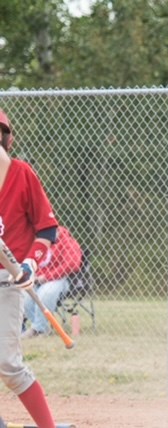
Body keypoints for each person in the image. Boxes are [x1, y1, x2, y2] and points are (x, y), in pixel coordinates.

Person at [0, 108, 59, 427]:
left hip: (7, 282)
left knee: (7, 364)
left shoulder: (21, 174)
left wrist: (30, 262)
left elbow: (47, 229)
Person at [22, 226, 82, 338]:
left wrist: (47, 277)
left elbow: (73, 263)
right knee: (25, 296)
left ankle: (39, 330)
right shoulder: (38, 241)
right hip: (38, 280)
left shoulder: (67, 241)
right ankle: (39, 327)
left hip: (60, 279)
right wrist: (33, 274)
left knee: (45, 293)